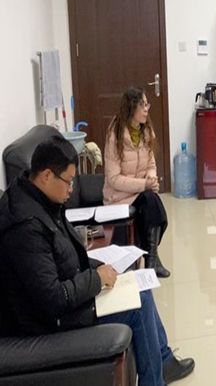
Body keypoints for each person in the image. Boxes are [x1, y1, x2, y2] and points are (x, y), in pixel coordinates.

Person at [0, 135, 194, 385]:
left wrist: (99, 267)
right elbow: (54, 298)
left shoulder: (38, 196)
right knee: (138, 304)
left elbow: (63, 256)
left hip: (67, 296)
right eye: (68, 181)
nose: (71, 189)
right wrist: (96, 278)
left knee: (139, 286)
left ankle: (163, 362)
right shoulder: (25, 226)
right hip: (48, 321)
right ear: (47, 175)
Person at [103, 87, 170, 278]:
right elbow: (113, 179)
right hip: (119, 196)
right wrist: (144, 185)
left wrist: (151, 178)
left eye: (147, 104)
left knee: (152, 205)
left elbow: (151, 164)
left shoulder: (146, 130)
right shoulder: (115, 135)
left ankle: (151, 262)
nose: (147, 109)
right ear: (131, 108)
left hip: (140, 193)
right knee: (152, 204)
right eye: (142, 105)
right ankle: (152, 261)